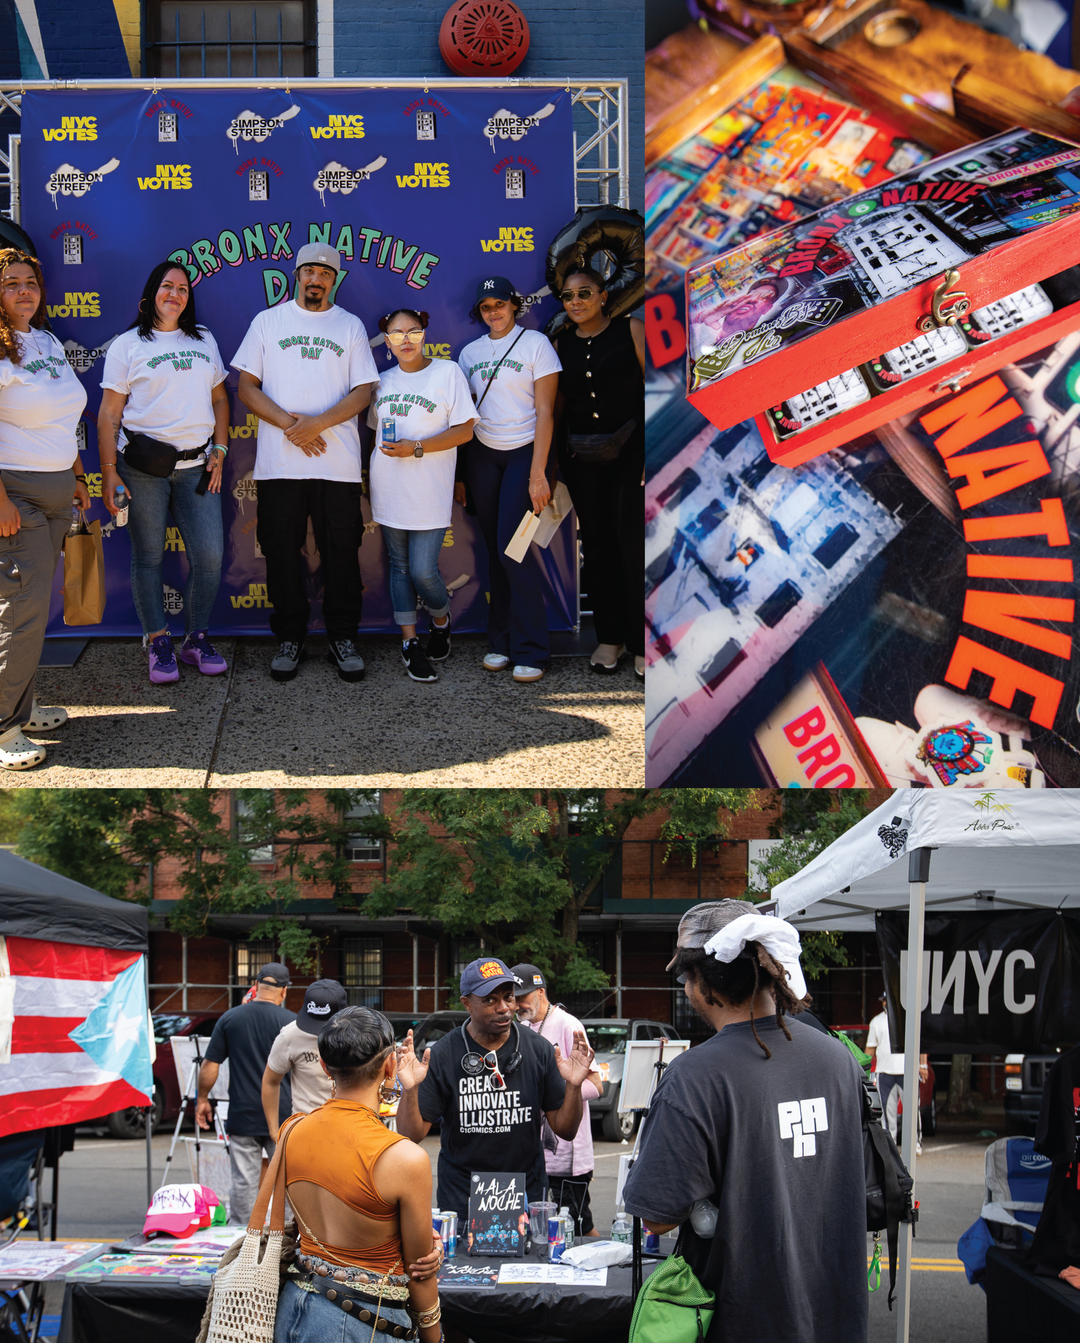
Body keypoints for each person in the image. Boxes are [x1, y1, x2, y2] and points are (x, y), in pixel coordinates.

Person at [622, 900, 868, 1343]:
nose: (684, 989)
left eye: (684, 977)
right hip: (835, 1316)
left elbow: (657, 1217)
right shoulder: (837, 1057)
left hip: (747, 1319)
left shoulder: (695, 1076)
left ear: (705, 983)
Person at [233, 243, 379, 683]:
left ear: (334, 280)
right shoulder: (268, 321)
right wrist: (290, 425)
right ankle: (290, 636)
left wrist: (317, 425)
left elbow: (363, 392)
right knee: (280, 551)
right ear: (296, 274)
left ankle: (342, 637)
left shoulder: (349, 325)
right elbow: (246, 387)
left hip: (337, 465)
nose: (316, 279)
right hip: (280, 465)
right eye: (309, 271)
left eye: (325, 273)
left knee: (342, 551)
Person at [274, 1006, 442, 1343]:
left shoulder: (290, 1132)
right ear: (390, 1064)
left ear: (325, 1067)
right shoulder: (405, 1158)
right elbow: (419, 1272)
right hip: (362, 1322)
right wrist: (433, 1335)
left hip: (292, 1310)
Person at [98, 261, 229, 684]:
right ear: (152, 291)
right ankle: (158, 641)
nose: (176, 294)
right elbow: (108, 415)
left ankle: (195, 638)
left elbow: (221, 400)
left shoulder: (204, 339)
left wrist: (221, 448)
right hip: (141, 470)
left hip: (197, 468)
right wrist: (108, 473)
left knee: (209, 557)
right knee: (149, 557)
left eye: (184, 289)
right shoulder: (127, 345)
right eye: (168, 286)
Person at [395, 956, 595, 1221]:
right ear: (467, 1003)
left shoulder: (539, 1049)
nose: (504, 1008)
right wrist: (409, 1091)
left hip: (525, 1197)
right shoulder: (443, 1054)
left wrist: (573, 1085)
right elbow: (411, 1135)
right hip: (462, 1200)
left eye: (509, 997)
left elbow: (566, 1131)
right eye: (490, 1000)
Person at [0, 246, 89, 770]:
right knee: (19, 612)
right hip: (18, 493)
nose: (23, 291)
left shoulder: (47, 340)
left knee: (33, 610)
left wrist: (77, 477)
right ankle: (5, 727)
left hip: (56, 489)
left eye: (29, 282)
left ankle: (22, 708)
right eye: (11, 283)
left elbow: (61, 416)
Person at [458, 277, 561, 684]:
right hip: (483, 453)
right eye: (486, 306)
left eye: (500, 304)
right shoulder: (469, 352)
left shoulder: (536, 344)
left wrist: (539, 472)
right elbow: (463, 418)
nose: (494, 312)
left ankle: (532, 648)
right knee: (494, 550)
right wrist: (464, 472)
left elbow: (546, 412)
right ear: (479, 313)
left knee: (512, 550)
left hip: (525, 453)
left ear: (514, 306)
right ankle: (500, 642)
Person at [368, 308, 476, 683]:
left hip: (429, 489)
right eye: (397, 334)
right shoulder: (380, 382)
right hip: (389, 487)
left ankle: (441, 619)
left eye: (413, 331)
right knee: (399, 568)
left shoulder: (447, 373)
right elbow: (375, 432)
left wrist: (417, 447)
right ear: (387, 342)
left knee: (422, 570)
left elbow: (465, 431)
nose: (406, 339)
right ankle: (410, 643)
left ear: (425, 334)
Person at [553, 267, 645, 680]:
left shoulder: (632, 330)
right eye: (568, 296)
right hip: (582, 461)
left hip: (631, 456)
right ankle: (611, 638)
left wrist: (652, 451)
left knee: (632, 547)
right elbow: (554, 410)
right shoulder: (560, 344)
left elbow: (656, 386)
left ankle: (643, 641)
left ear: (604, 296)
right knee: (598, 547)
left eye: (584, 293)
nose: (575, 302)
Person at [196, 962, 294, 1225]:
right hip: (283, 1115)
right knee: (286, 1180)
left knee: (244, 1182)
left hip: (243, 1112)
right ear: (284, 991)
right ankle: (284, 1239)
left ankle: (240, 1237)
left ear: (256, 986)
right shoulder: (291, 1023)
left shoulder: (230, 1018)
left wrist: (202, 1099)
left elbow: (210, 1065)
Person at [511, 962, 603, 1237]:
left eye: (522, 997)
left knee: (578, 1226)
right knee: (538, 1229)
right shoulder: (521, 1027)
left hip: (567, 1155)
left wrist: (552, 1098)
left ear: (540, 992)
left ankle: (606, 1271)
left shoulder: (567, 1024)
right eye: (512, 998)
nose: (516, 1005)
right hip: (533, 1154)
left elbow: (596, 1084)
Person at [261, 977, 347, 1138]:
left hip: (348, 1128)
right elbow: (270, 1081)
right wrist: (274, 1131)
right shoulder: (290, 1035)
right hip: (305, 1128)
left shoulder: (359, 1036)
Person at [866, 991, 926, 1154]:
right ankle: (889, 1144)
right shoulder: (876, 1022)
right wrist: (863, 1069)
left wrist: (923, 1066)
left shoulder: (909, 1019)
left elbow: (921, 1044)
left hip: (907, 1071)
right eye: (884, 1000)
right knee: (886, 1112)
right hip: (885, 1071)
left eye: (888, 1000)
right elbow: (870, 1049)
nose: (886, 1003)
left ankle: (915, 1143)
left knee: (912, 1109)